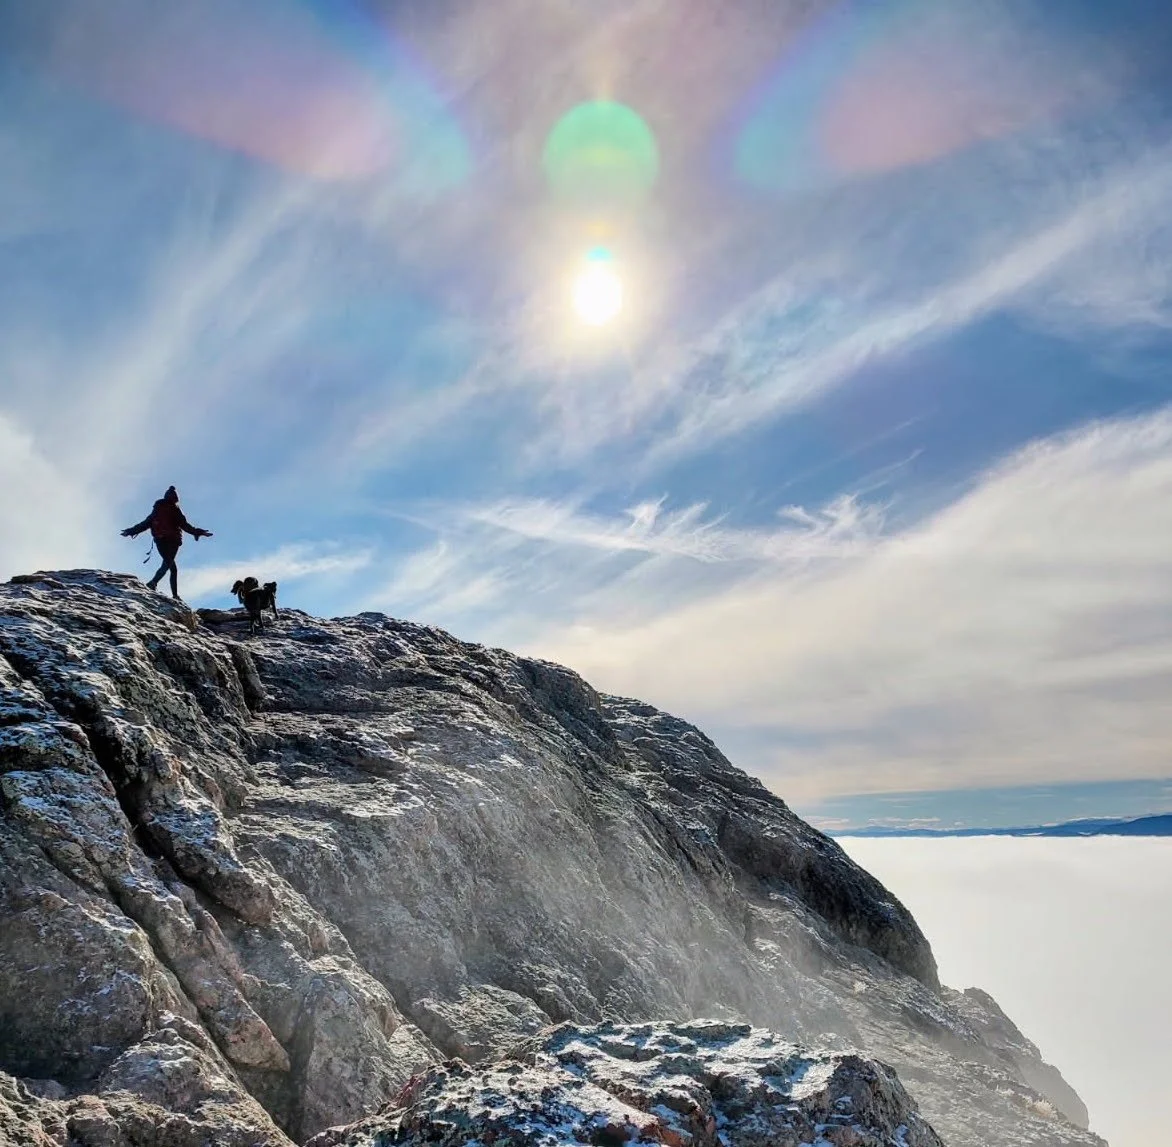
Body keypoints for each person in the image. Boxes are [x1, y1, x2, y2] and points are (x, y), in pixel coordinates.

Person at [121, 486, 213, 599]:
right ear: (175, 499)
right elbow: (185, 526)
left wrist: (130, 531)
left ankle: (174, 594)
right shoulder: (175, 510)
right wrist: (198, 532)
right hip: (173, 540)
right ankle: (154, 583)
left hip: (159, 540)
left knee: (171, 566)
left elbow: (145, 524)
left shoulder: (157, 509)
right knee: (168, 564)